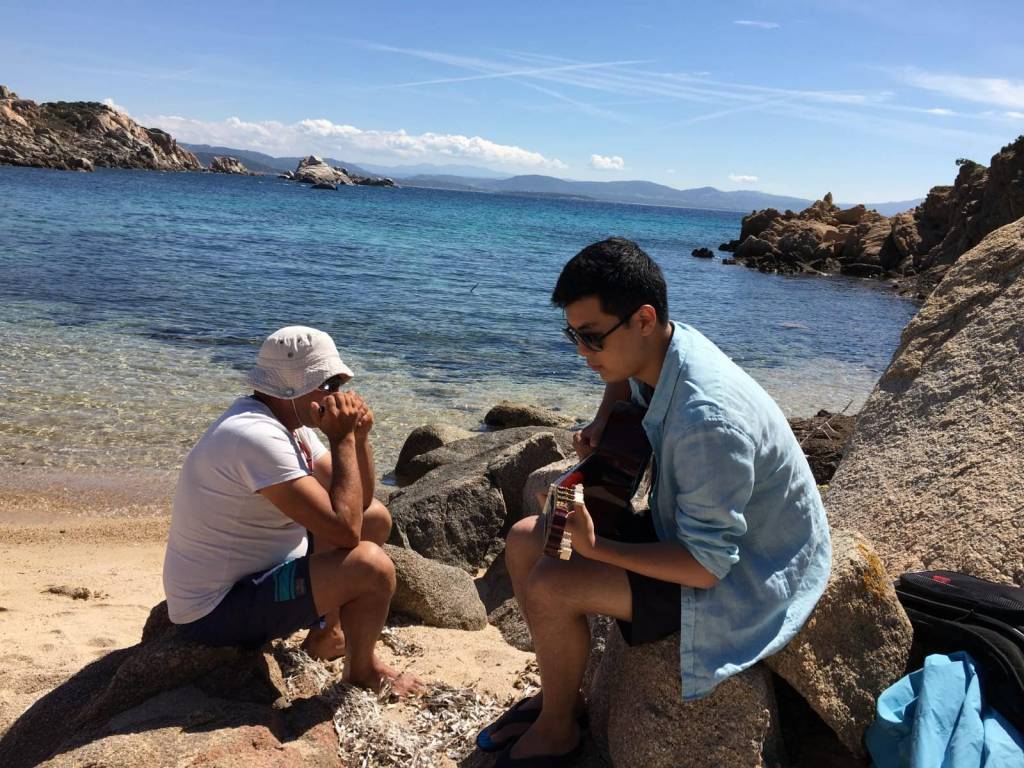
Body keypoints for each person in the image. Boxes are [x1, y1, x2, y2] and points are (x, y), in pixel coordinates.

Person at [478, 238, 832, 766]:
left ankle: (558, 731)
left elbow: (708, 566)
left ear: (643, 318)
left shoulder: (706, 418)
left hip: (750, 572)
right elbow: (623, 383)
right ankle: (560, 700)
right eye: (572, 334)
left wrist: (598, 551)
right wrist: (604, 418)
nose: (581, 352)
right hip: (696, 532)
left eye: (592, 337)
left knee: (552, 583)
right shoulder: (666, 347)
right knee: (527, 539)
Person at [162, 325, 416, 694]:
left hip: (263, 574)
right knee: (372, 567)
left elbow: (358, 505)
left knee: (375, 518)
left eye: (338, 383)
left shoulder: (290, 424)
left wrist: (358, 440)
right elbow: (345, 530)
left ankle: (327, 634)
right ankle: (361, 672)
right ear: (292, 387)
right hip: (218, 610)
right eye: (327, 384)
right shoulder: (255, 436)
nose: (337, 394)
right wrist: (342, 437)